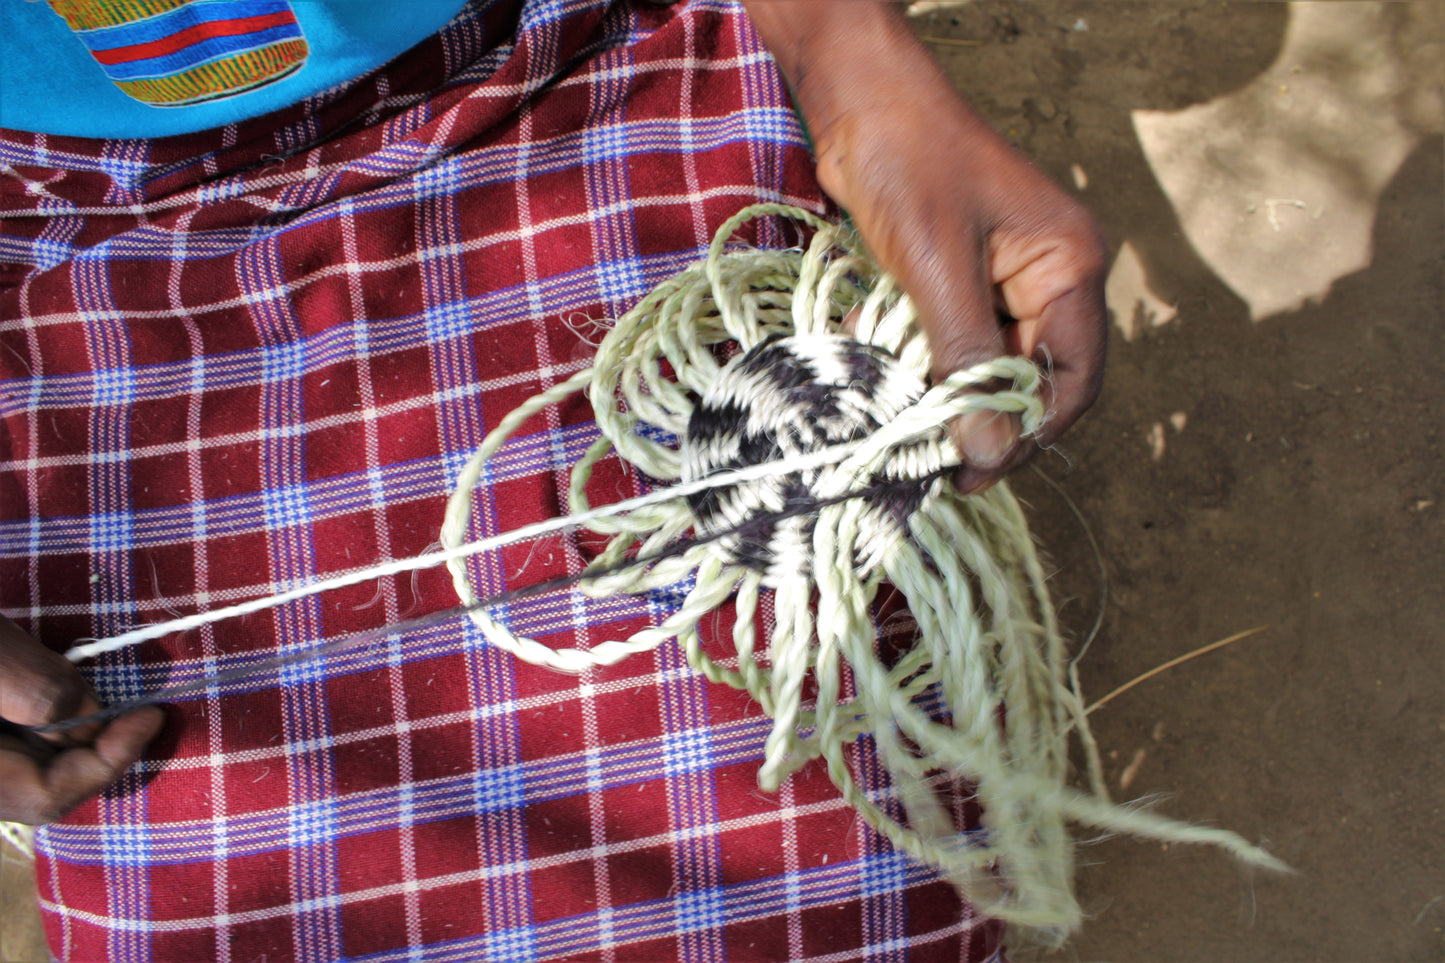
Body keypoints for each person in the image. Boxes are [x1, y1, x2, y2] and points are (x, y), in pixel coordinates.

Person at [0, 0, 1106, 959]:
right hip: (55, 220)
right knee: (204, 870)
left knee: (830, 852)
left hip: (565, 53)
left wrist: (843, 52)